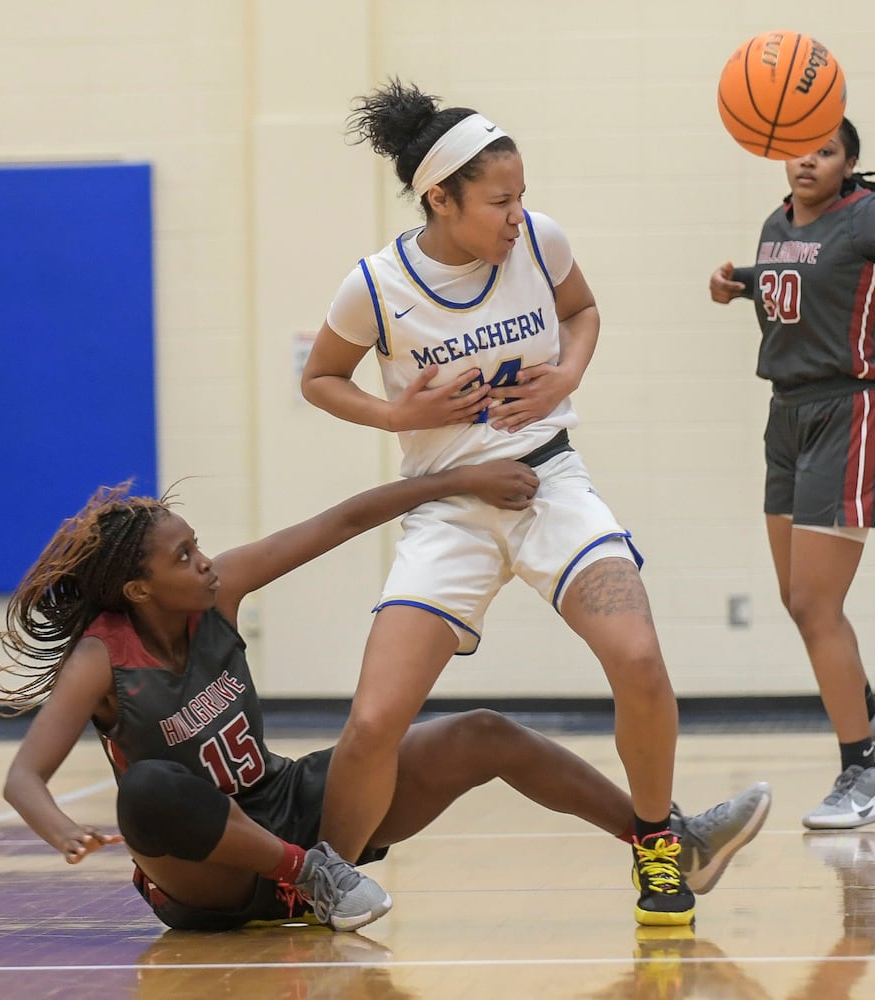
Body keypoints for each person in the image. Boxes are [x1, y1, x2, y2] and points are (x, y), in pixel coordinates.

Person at [0, 468, 771, 935]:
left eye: (197, 545)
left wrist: (459, 481)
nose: (205, 561)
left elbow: (346, 519)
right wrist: (62, 831)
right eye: (184, 556)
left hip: (286, 804)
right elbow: (24, 777)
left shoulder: (218, 597)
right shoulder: (102, 660)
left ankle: (663, 840)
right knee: (150, 791)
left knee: (481, 733)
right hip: (207, 875)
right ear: (138, 588)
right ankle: (312, 879)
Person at [300, 78, 724, 926]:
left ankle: (657, 846)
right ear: (441, 197)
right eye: (499, 200)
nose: (517, 214)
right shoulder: (377, 288)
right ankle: (321, 881)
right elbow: (318, 379)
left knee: (638, 659)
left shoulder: (541, 242)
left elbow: (585, 311)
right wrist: (395, 413)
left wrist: (567, 374)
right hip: (447, 506)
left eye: (522, 195)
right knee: (376, 718)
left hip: (549, 480)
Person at [709, 118, 875, 830]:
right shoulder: (776, 221)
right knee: (799, 601)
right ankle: (874, 715)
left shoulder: (871, 217)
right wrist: (742, 284)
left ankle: (863, 774)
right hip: (785, 417)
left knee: (818, 605)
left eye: (825, 151)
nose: (808, 161)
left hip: (846, 415)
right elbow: (796, 284)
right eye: (799, 148)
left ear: (851, 162)